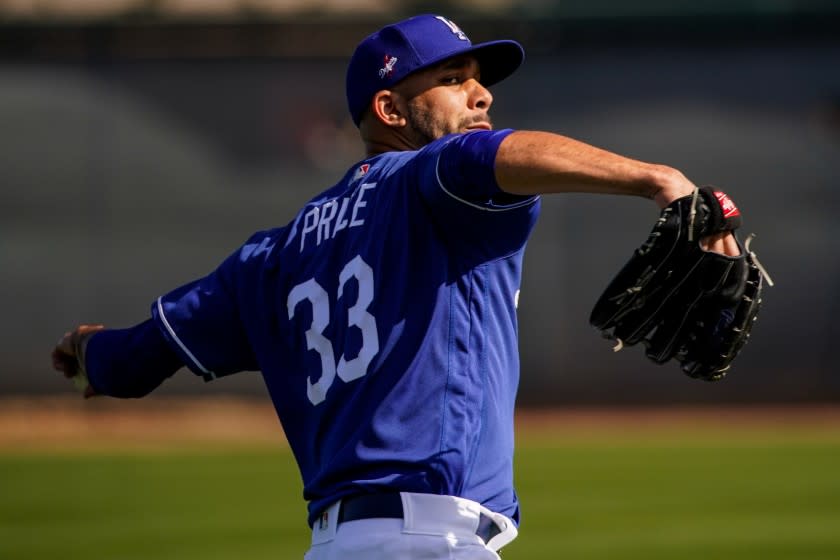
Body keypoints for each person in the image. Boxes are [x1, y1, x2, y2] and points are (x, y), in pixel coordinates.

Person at [52, 13, 738, 560]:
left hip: (335, 544)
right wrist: (661, 179)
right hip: (432, 541)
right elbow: (495, 154)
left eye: (480, 77)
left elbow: (141, 356)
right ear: (390, 108)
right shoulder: (431, 180)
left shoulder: (269, 257)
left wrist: (91, 352)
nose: (483, 93)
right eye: (453, 79)